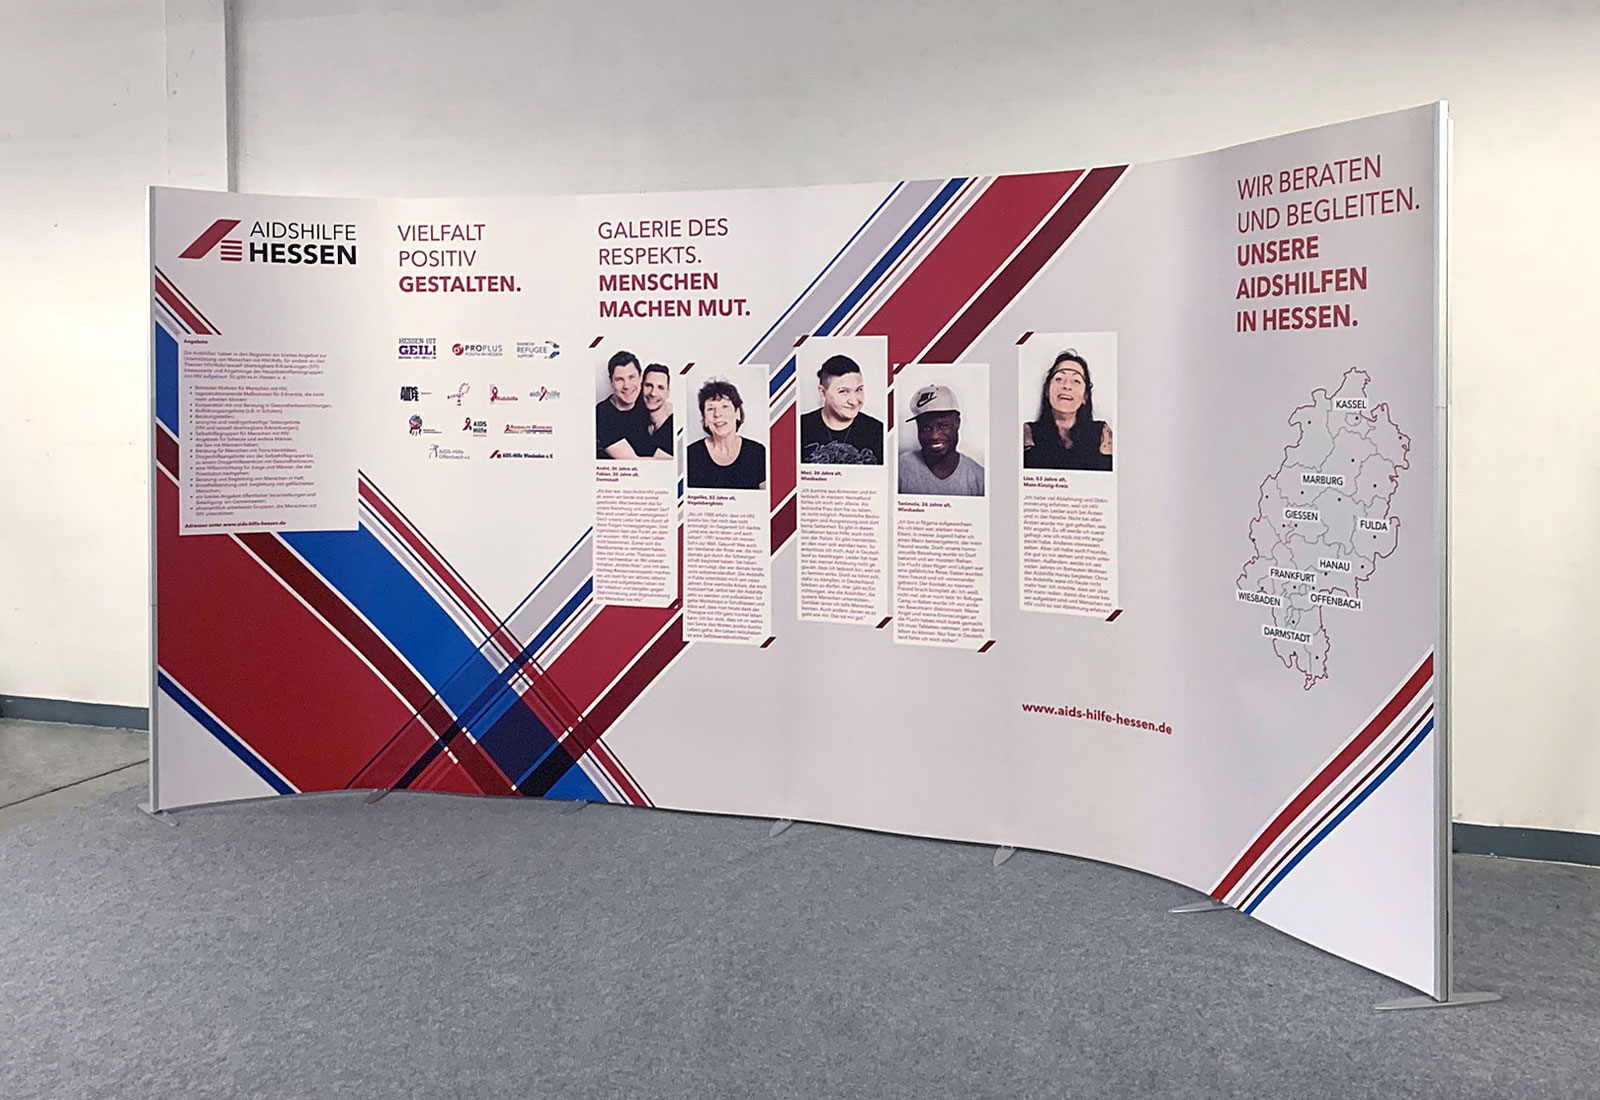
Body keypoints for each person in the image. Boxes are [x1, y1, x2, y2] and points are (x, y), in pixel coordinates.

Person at [1023, 350, 1113, 471]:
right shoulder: (1028, 434)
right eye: (1059, 379)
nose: (1066, 386)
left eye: (1076, 381)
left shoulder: (1102, 434)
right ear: (1047, 391)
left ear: (1085, 396)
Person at [899, 383, 985, 496]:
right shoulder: (901, 467)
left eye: (943, 426)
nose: (934, 436)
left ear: (957, 423)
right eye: (926, 428)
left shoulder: (979, 478)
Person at [800, 354, 884, 464]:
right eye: (843, 391)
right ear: (823, 393)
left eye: (859, 389)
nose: (854, 401)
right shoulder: (800, 427)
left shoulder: (878, 431)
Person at [687, 378, 767, 490]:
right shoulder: (690, 455)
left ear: (737, 413)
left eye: (724, 407)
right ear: (705, 419)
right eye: (710, 409)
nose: (717, 414)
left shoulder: (757, 452)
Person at [595, 350, 652, 460]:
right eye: (619, 379)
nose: (627, 386)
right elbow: (634, 462)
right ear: (611, 382)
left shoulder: (648, 399)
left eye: (632, 377)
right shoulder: (602, 414)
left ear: (641, 377)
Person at [636, 363, 674, 458]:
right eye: (648, 385)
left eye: (660, 387)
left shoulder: (674, 425)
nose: (653, 393)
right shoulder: (637, 419)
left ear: (668, 393)